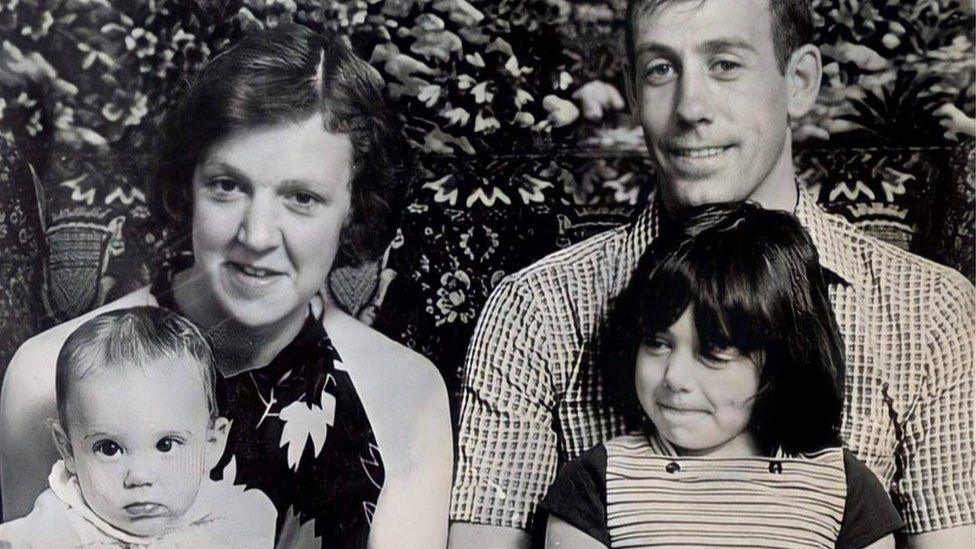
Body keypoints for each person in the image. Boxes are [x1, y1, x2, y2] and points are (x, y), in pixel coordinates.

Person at [449, 1, 974, 548]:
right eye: (660, 69)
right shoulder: (535, 308)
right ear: (632, 91)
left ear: (798, 81)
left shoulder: (930, 311)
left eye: (724, 64)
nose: (689, 107)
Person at [1, 24, 452, 548]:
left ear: (355, 209)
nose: (257, 235)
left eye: (302, 197)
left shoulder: (405, 395)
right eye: (227, 185)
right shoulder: (46, 380)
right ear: (188, 185)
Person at [540, 203, 903, 549]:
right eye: (657, 343)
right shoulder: (597, 484)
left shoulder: (843, 488)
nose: (675, 377)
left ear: (781, 360)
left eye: (713, 352)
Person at [0, 306, 276, 548]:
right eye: (109, 448)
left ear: (212, 444)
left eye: (165, 444)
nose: (140, 477)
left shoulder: (234, 519)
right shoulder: (57, 527)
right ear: (68, 449)